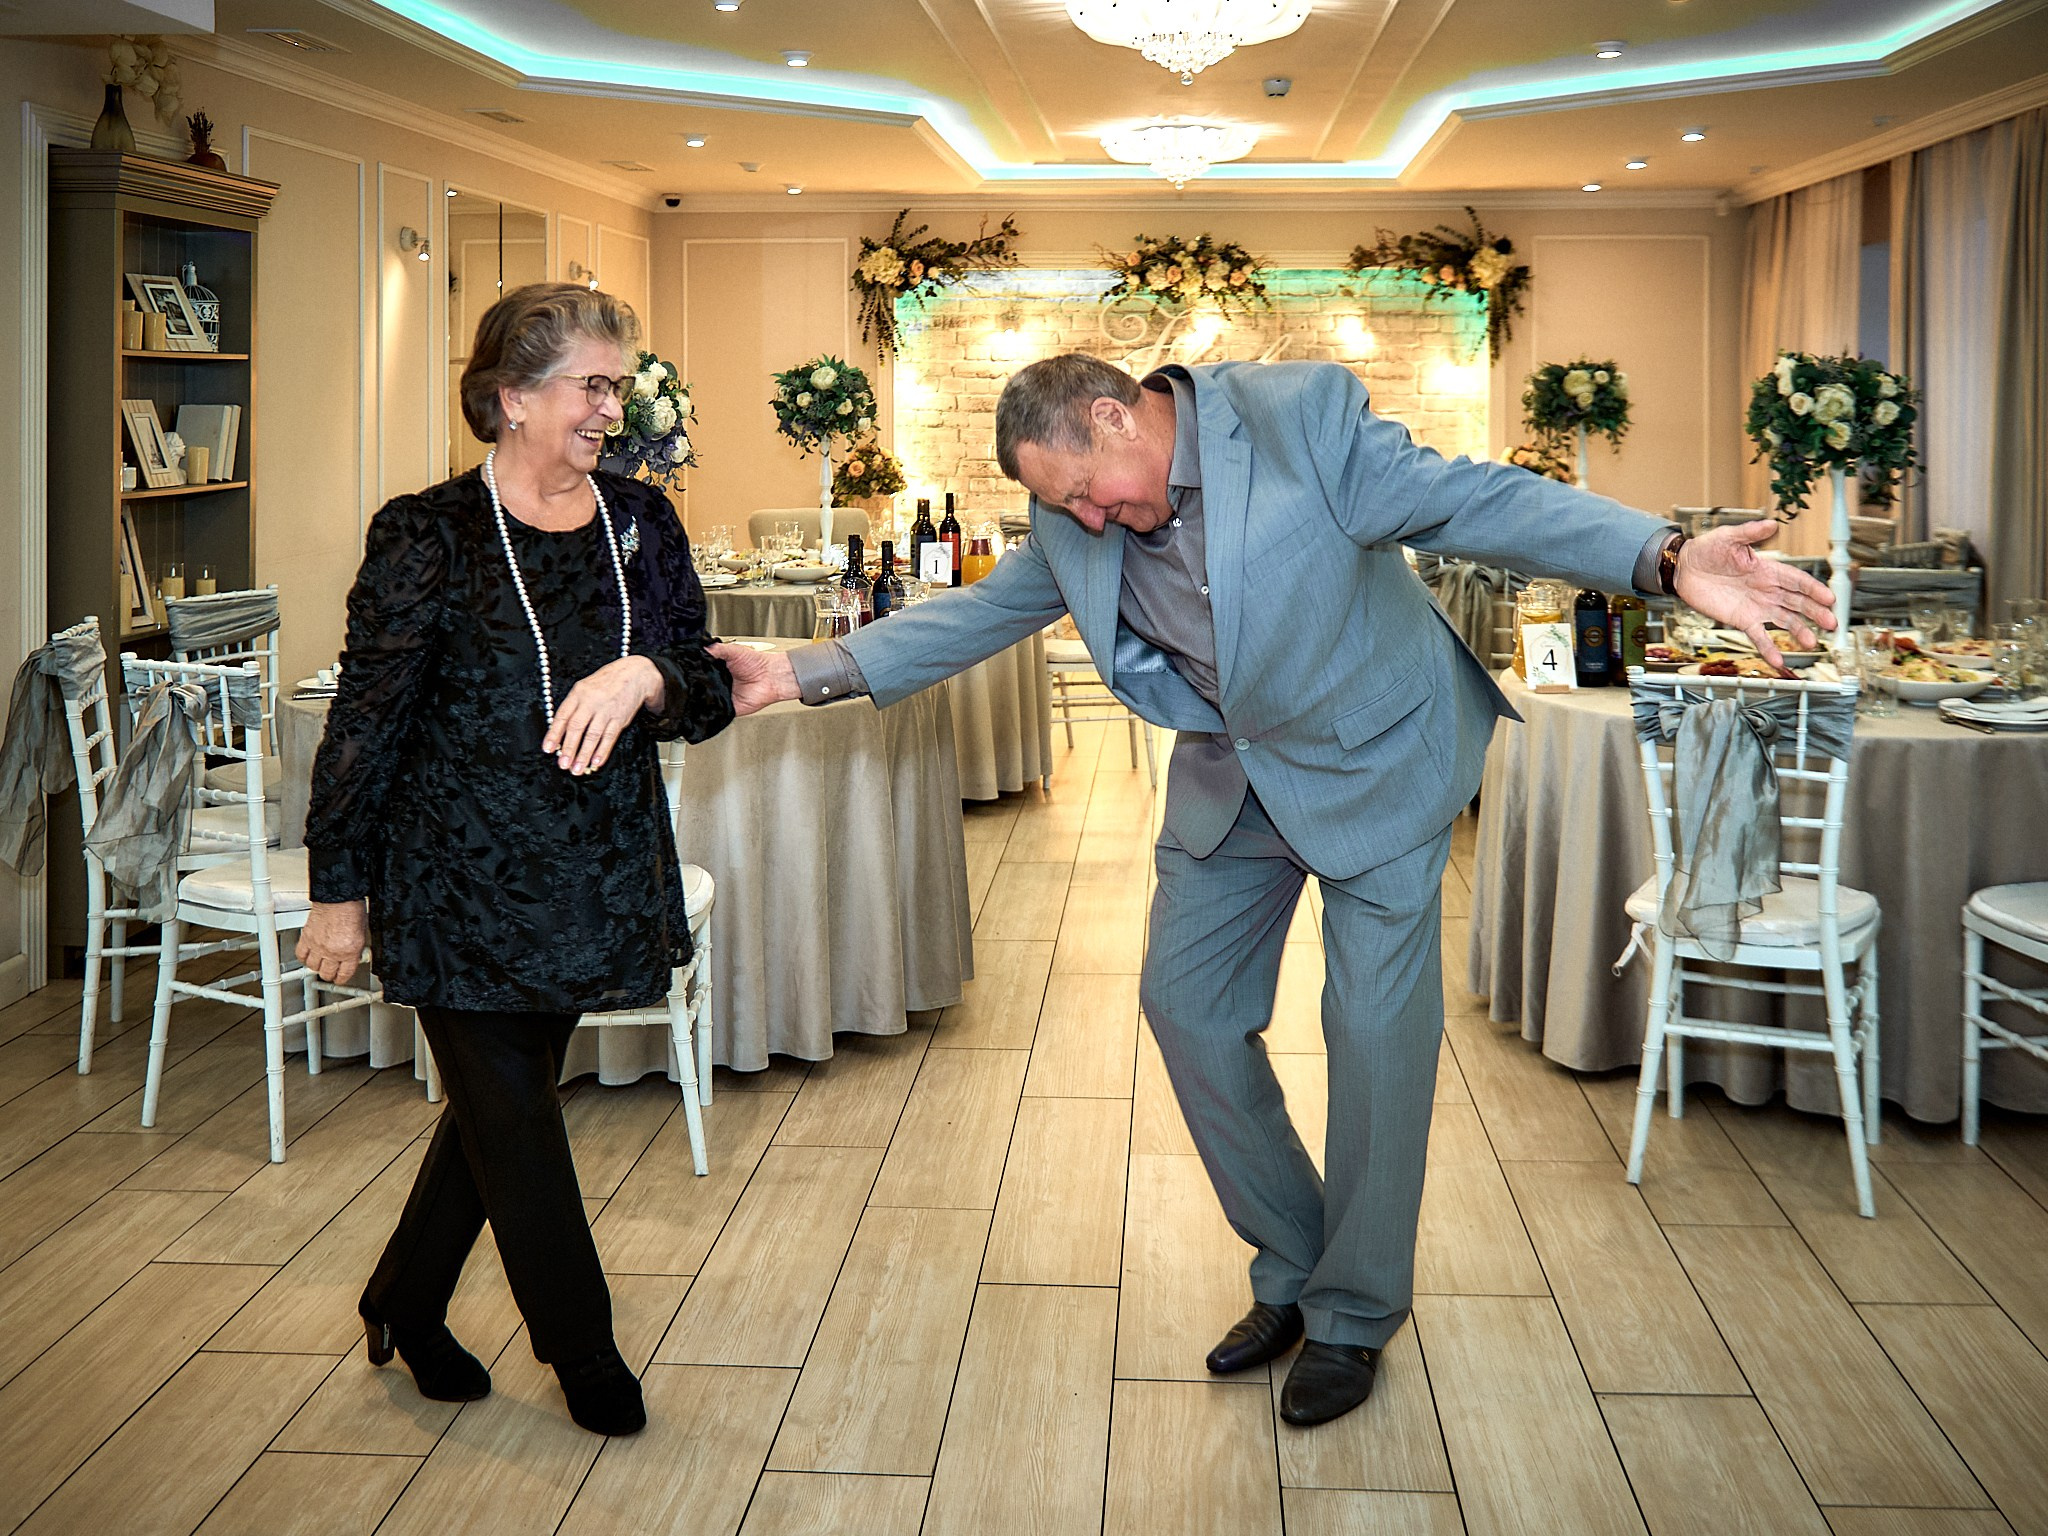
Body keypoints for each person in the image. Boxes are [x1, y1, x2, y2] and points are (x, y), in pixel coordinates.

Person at [711, 353, 1832, 1427]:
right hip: (1230, 771)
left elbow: (1470, 503)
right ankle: (1298, 1262)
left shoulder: (1299, 422)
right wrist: (802, 673)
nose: (1085, 521)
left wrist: (1662, 554)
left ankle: (1353, 1314)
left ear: (1114, 417)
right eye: (1065, 511)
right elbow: (983, 612)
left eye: (1088, 495)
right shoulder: (1069, 512)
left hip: (1376, 758)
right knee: (1185, 1006)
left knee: (1371, 1034)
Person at [296, 283, 733, 1437]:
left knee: (502, 1108)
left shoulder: (642, 521)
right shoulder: (425, 532)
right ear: (509, 398)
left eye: (615, 385)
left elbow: (703, 688)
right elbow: (366, 724)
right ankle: (583, 1352)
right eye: (592, 386)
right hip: (452, 879)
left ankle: (403, 1300)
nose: (611, 407)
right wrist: (338, 892)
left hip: (593, 872)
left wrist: (652, 675)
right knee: (519, 1120)